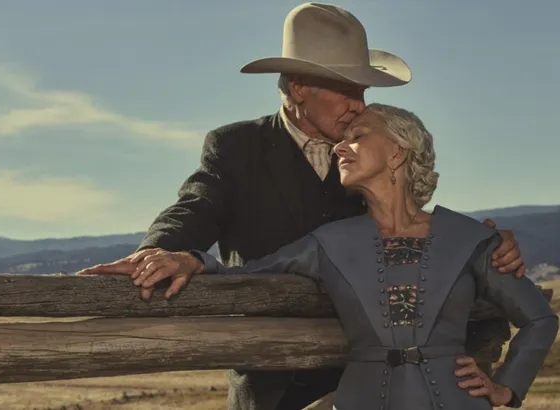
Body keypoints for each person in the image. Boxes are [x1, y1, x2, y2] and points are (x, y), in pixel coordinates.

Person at [76, 3, 527, 410]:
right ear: (298, 86)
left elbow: (409, 223)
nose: (358, 106)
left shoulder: (368, 152)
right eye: (345, 90)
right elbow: (195, 208)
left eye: (362, 92)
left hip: (365, 379)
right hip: (269, 380)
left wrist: (482, 244)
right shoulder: (236, 147)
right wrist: (158, 251)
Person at [109, 103, 559, 410]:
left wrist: (506, 387)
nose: (341, 145)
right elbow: (248, 274)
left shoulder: (470, 238)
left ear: (398, 153)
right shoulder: (328, 242)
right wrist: (190, 259)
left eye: (358, 137)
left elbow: (539, 319)